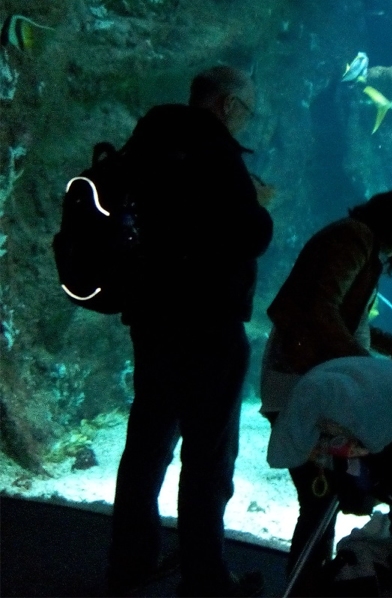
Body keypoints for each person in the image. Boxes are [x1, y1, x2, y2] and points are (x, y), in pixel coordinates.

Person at [107, 66, 274, 597]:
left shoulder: (148, 139)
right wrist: (259, 205)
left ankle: (131, 564)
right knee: (208, 454)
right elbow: (247, 235)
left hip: (153, 318)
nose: (245, 121)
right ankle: (204, 577)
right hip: (207, 325)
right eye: (245, 110)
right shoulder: (214, 150)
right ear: (226, 105)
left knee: (147, 444)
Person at [259, 188, 392, 587]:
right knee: (320, 499)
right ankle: (305, 587)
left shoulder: (360, 242)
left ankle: (312, 584)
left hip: (312, 383)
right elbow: (317, 310)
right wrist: (367, 372)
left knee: (322, 500)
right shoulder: (352, 238)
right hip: (301, 386)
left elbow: (343, 315)